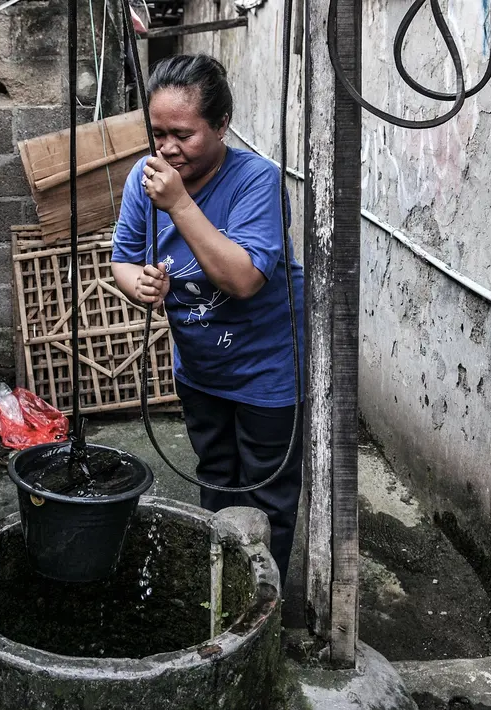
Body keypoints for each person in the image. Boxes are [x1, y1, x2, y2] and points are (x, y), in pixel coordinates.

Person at [111, 54, 305, 582]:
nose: (167, 148)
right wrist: (140, 285)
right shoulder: (142, 179)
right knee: (216, 479)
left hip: (268, 370)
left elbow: (242, 279)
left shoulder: (255, 181)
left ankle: (262, 602)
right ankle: (223, 590)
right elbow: (123, 259)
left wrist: (178, 205)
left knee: (268, 496)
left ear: (222, 125)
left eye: (183, 134)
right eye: (157, 133)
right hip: (200, 367)